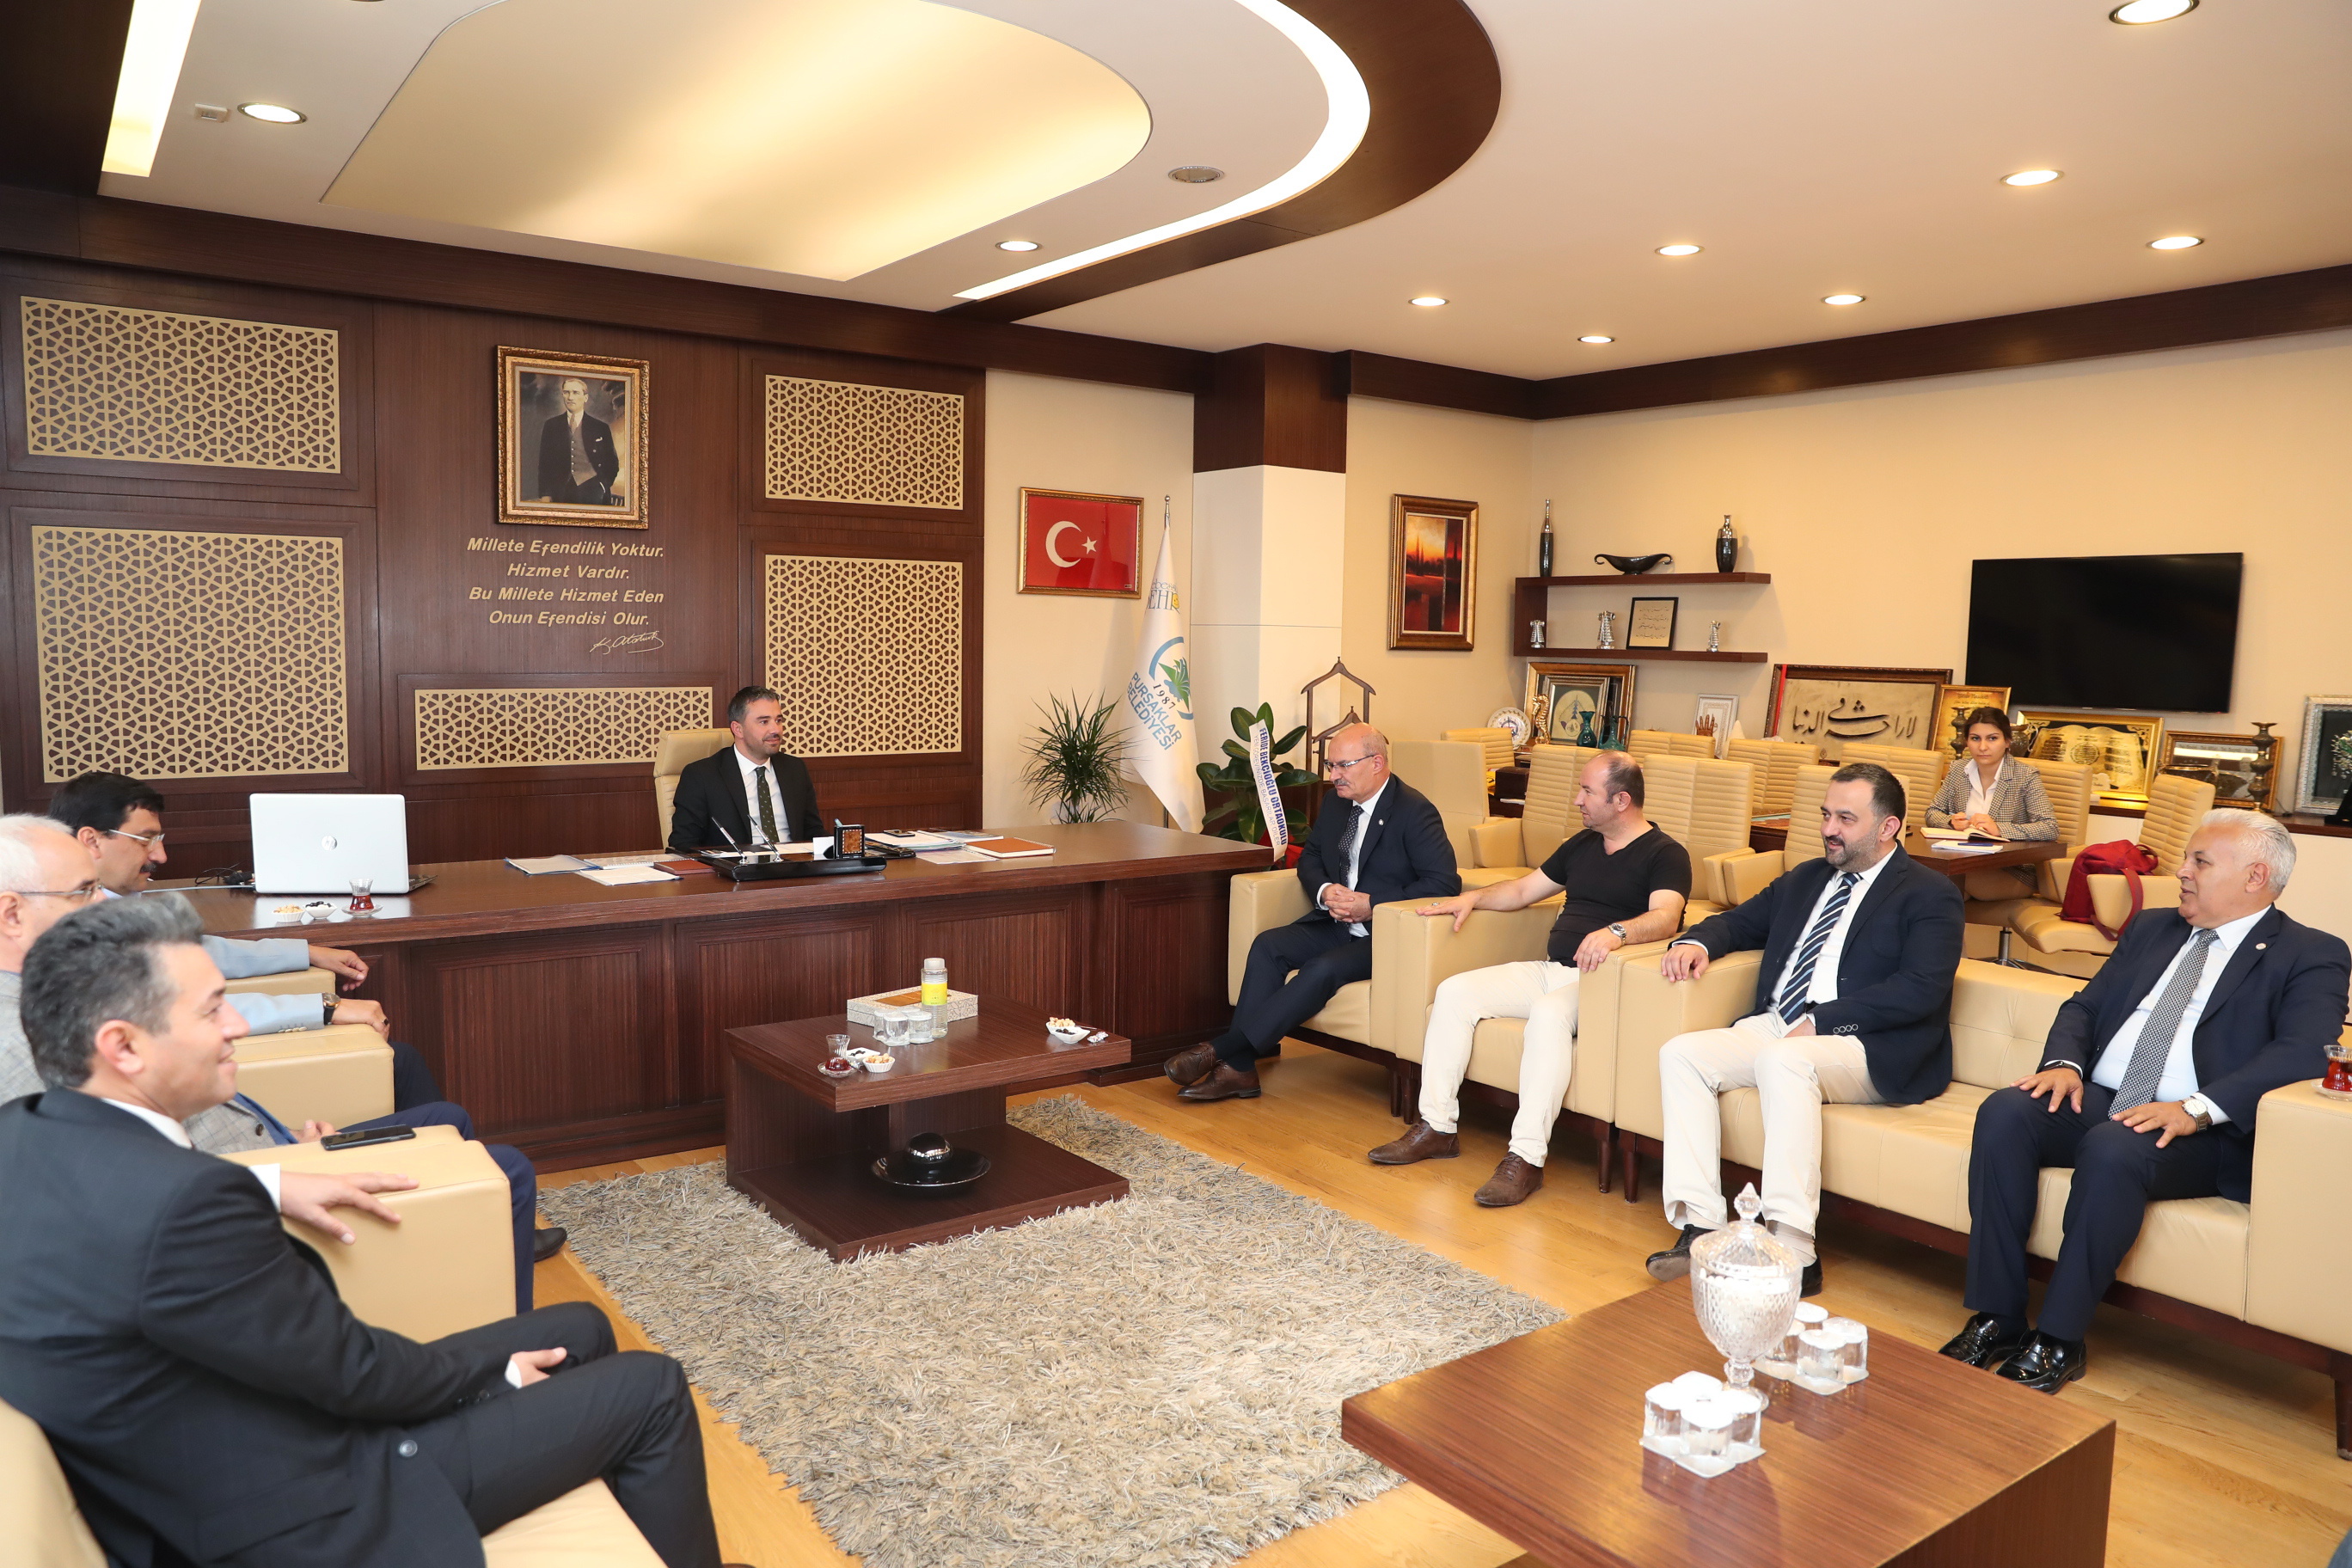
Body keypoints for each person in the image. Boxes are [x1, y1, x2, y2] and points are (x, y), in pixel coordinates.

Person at [0, 894, 736, 1568]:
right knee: (653, 1387)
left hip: (238, 1436)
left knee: (580, 1326)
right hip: (306, 1504)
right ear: (123, 1046)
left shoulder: (26, 1134)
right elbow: (354, 1376)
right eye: (213, 1010)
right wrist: (496, 1379)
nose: (237, 1027)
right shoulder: (185, 1205)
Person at [10, 808, 565, 1302]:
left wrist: (288, 1141)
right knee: (504, 1167)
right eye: (81, 891)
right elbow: (98, 1186)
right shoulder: (21, 1034)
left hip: (263, 1151)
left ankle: (479, 1247)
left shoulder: (51, 982)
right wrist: (274, 1178)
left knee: (446, 1118)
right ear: (11, 912)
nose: (97, 906)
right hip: (244, 1193)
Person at [1941, 811, 2349, 1391]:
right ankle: (1998, 1317)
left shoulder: (2311, 953)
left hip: (2202, 1130)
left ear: (2255, 877)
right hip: (2108, 1097)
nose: (2181, 872)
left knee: (2114, 1147)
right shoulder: (2154, 928)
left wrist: (2196, 1108)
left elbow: (2304, 1052)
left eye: (2200, 862)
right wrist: (2063, 1066)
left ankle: (2059, 1339)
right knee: (2007, 1112)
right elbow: (2084, 1006)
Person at [1644, 763, 1964, 1295]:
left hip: (1866, 1043)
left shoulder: (1930, 893)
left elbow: (1921, 988)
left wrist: (1822, 1021)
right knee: (1682, 1054)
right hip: (1781, 1024)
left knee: (1783, 1059)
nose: (1829, 829)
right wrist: (1696, 942)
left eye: (1846, 819)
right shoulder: (1807, 878)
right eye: (1826, 815)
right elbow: (1738, 921)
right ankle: (1701, 1228)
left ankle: (1794, 1252)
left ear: (1888, 827)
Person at [1370, 752, 1690, 1206]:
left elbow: (1666, 917)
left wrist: (1616, 933)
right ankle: (1437, 1128)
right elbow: (1523, 889)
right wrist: (1471, 899)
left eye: (1587, 792)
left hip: (1603, 984)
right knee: (1454, 992)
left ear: (1621, 800)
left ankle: (1526, 1158)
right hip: (1552, 970)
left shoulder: (1666, 854)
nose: (1577, 800)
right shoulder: (1583, 844)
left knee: (1548, 1015)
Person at [49, 770, 439, 1109]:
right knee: (408, 1069)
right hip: (198, 1082)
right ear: (92, 840)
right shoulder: (78, 927)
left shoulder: (111, 904)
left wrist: (306, 952)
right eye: (145, 839)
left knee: (405, 1066)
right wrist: (325, 1006)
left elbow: (199, 950)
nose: (161, 855)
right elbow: (183, 1009)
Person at [1164, 724, 1459, 1104]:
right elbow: (1312, 857)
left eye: (1343, 766)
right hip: (1334, 922)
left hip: (1384, 933)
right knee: (1269, 945)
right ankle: (1241, 1069)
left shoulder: (1414, 811)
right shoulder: (1337, 803)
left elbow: (1443, 883)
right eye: (1330, 766)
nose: (1333, 776)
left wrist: (1372, 903)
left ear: (1376, 763)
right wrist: (1324, 890)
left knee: (1322, 968)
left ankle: (1225, 1053)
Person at [667, 686, 823, 852]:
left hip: (795, 865)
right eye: (764, 722)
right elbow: (683, 844)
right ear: (738, 729)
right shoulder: (701, 776)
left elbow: (814, 832)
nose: (776, 730)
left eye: (778, 720)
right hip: (736, 866)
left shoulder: (795, 769)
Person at [1925, 707, 2058, 898]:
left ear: (2007, 741)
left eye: (1992, 738)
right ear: (1967, 741)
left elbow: (2049, 827)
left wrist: (2000, 829)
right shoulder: (1959, 770)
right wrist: (1950, 822)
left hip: (2011, 871)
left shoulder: (2025, 776)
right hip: (1962, 862)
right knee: (1935, 884)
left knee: (1942, 884)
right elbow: (1933, 812)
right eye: (1975, 738)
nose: (1983, 747)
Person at [536, 375, 622, 505]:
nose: (570, 397)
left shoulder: (600, 427)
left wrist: (602, 485)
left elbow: (612, 462)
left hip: (593, 491)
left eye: (575, 393)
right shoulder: (551, 425)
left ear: (585, 398)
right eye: (566, 392)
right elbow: (545, 464)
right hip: (560, 492)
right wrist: (545, 494)